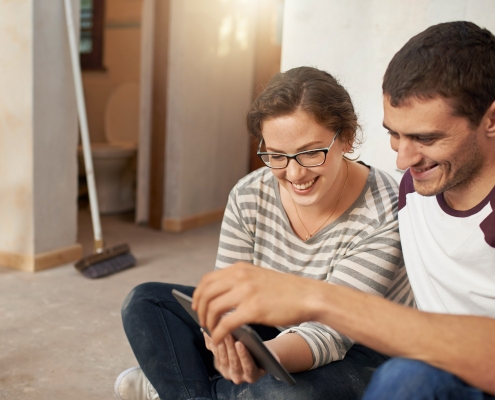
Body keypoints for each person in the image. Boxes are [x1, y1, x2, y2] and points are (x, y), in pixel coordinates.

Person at [193, 21, 495, 399]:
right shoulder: (414, 190)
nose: (402, 160)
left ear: (491, 120)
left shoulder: (388, 201)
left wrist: (315, 299)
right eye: (394, 134)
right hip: (428, 362)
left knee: (403, 378)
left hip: (442, 371)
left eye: (426, 138)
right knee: (154, 302)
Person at [114, 66, 414, 400]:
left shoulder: (385, 209)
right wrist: (226, 335)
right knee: (146, 301)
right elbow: (230, 295)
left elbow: (329, 335)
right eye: (276, 156)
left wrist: (260, 360)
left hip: (363, 349)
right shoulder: (249, 194)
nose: (294, 173)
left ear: (346, 137)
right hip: (276, 326)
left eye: (310, 152)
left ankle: (179, 385)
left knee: (282, 393)